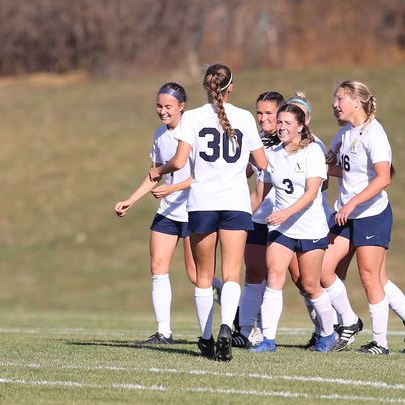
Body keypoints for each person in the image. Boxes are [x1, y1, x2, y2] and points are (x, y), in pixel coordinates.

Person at [148, 64, 267, 362]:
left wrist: (158, 170)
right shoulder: (244, 117)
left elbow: (178, 161)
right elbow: (262, 163)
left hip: (202, 202)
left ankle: (206, 338)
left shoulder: (192, 117)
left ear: (206, 87)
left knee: (203, 275)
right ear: (231, 88)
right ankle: (227, 326)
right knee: (231, 274)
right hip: (236, 203)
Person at [321, 80, 405, 354]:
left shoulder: (374, 134)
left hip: (371, 214)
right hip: (346, 214)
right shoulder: (344, 133)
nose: (335, 105)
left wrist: (354, 202)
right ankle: (355, 322)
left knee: (371, 279)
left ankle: (380, 342)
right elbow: (337, 169)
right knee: (322, 270)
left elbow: (384, 178)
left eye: (340, 99)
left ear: (357, 102)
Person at [114, 82, 222, 344]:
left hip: (194, 209)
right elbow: (155, 173)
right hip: (167, 212)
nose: (163, 111)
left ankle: (232, 306)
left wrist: (172, 187)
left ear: (181, 107)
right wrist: (131, 200)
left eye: (168, 107)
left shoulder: (194, 132)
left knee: (196, 275)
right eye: (159, 106)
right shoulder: (159, 135)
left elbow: (203, 175)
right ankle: (164, 332)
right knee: (157, 267)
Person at [250, 103, 337, 353]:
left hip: (310, 228)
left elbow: (312, 193)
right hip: (281, 230)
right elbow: (261, 191)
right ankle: (268, 340)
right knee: (274, 277)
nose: (282, 127)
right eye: (280, 122)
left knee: (310, 285)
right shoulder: (273, 153)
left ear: (301, 126)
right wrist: (242, 217)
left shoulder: (312, 152)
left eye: (288, 123)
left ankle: (329, 334)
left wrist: (285, 212)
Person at [232, 91, 286, 348]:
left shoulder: (298, 143)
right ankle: (245, 331)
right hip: (259, 219)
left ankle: (328, 329)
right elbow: (245, 176)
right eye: (259, 113)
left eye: (269, 113)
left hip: (288, 222)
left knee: (304, 280)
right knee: (253, 273)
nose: (263, 118)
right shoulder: (258, 143)